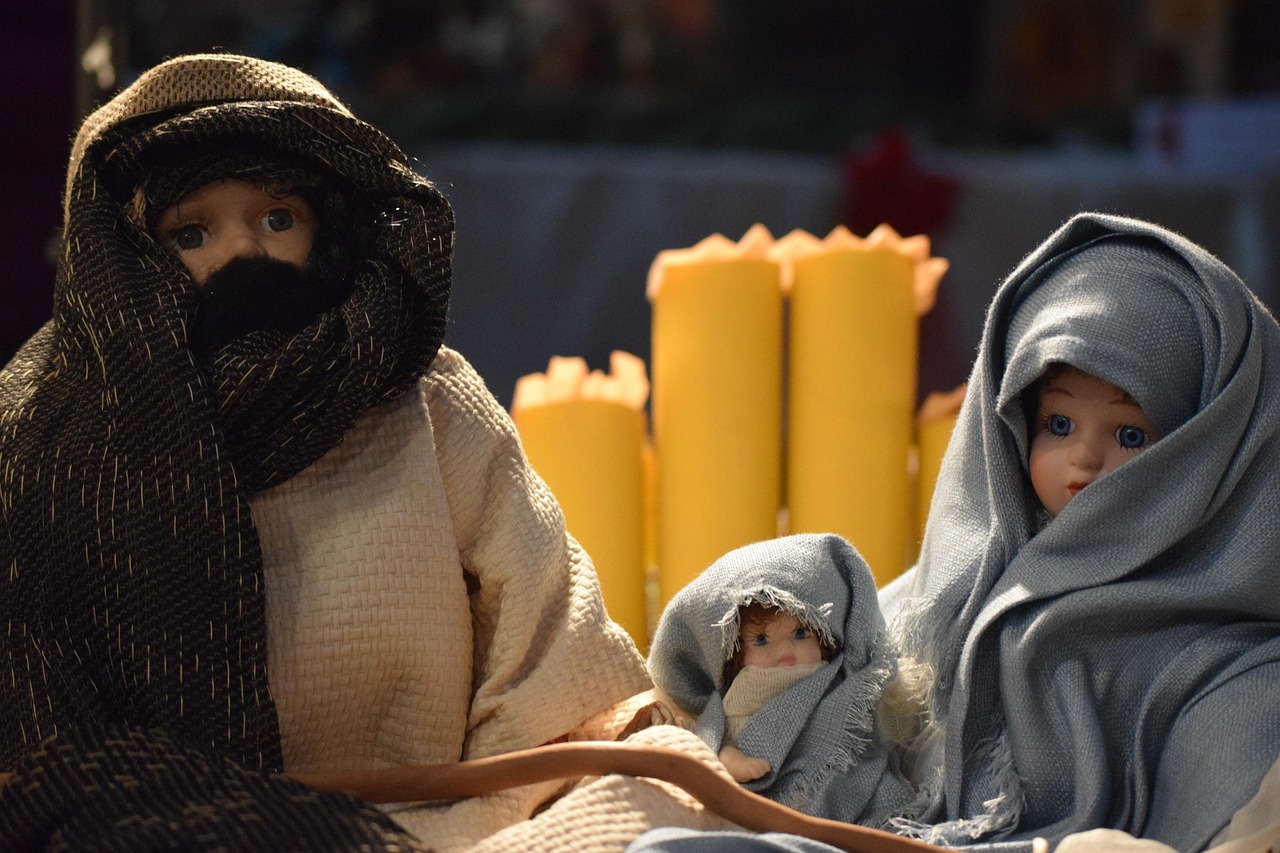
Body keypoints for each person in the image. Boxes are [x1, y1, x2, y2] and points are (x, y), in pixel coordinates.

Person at [0, 53, 651, 849]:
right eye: (191, 232)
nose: (242, 254)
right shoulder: (50, 433)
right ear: (130, 255)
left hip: (438, 822)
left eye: (278, 218)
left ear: (330, 225)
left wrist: (488, 815)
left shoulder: (423, 399)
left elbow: (543, 620)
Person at [628, 213, 1280, 853]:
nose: (1083, 459)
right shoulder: (973, 580)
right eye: (1058, 424)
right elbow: (865, 675)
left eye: (1131, 434)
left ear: (1208, 450)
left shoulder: (1227, 658)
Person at [646, 533, 917, 825]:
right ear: (736, 657)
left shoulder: (842, 680)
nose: (785, 650)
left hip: (843, 776)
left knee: (881, 789)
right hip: (764, 792)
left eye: (800, 633)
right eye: (761, 640)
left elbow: (869, 731)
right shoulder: (742, 692)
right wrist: (729, 757)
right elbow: (713, 735)